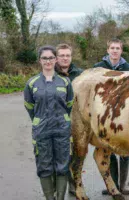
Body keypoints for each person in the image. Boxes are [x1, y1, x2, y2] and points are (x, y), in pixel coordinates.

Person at [24, 45, 74, 200]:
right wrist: (40, 120)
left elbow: (69, 105)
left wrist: (61, 120)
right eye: (44, 58)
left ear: (56, 59)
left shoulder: (65, 82)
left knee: (62, 166)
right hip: (42, 130)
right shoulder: (32, 83)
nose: (48, 61)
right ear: (40, 60)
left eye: (51, 57)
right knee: (44, 166)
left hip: (62, 130)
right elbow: (30, 106)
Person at [94, 38, 129, 195]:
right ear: (107, 50)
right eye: (112, 48)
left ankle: (122, 185)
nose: (115, 50)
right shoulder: (98, 68)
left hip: (124, 114)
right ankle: (113, 185)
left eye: (118, 48)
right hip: (104, 114)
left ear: (121, 50)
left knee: (124, 151)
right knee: (107, 150)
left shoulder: (128, 68)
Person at [54, 43, 83, 196]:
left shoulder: (80, 74)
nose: (65, 58)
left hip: (77, 121)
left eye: (67, 55)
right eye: (62, 56)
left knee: (77, 154)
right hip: (57, 121)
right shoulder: (50, 74)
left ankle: (75, 184)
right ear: (56, 58)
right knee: (61, 155)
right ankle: (62, 187)